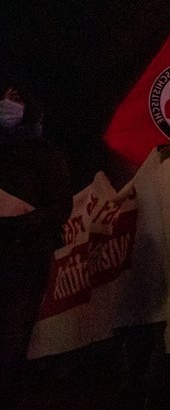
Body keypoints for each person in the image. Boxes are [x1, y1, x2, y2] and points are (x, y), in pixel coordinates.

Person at [0, 84, 72, 403]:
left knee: (13, 333)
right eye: (5, 97)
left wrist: (20, 224)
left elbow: (60, 207)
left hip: (26, 257)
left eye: (16, 98)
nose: (6, 103)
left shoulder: (46, 154)